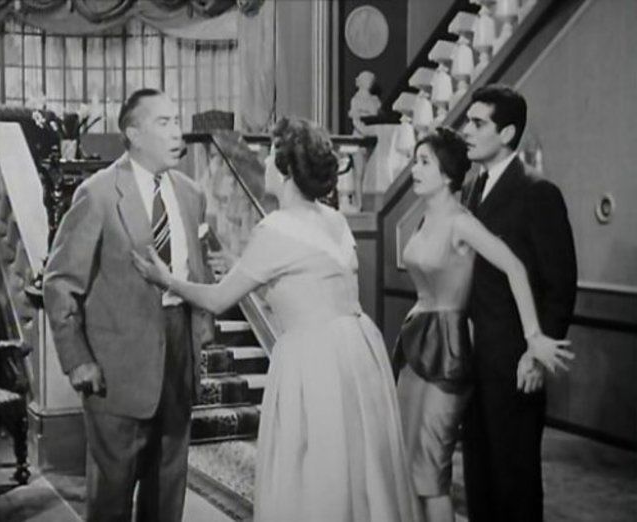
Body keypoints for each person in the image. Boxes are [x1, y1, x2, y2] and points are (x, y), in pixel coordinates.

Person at [133, 117, 422, 522]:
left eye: (270, 156)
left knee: (315, 461)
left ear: (285, 172)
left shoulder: (275, 228)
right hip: (358, 349)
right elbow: (308, 280)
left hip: (314, 356)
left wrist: (167, 279)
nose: (264, 163)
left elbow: (217, 299)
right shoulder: (334, 219)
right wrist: (240, 265)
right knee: (357, 461)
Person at [43, 88, 211, 522]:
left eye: (177, 121)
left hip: (178, 360)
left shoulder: (191, 194)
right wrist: (77, 358)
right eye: (163, 123)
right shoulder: (98, 194)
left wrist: (200, 335)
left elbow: (199, 271)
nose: (176, 133)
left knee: (167, 492)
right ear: (133, 133)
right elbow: (60, 282)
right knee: (111, 498)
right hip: (115, 370)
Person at [391, 127, 573, 522]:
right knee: (408, 463)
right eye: (415, 161)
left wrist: (534, 336)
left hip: (447, 350)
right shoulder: (425, 218)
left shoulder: (463, 223)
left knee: (431, 468)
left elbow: (515, 267)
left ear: (447, 175)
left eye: (424, 162)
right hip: (414, 347)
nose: (414, 170)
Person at [461, 84, 577, 522]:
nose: (467, 131)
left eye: (478, 123)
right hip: (474, 360)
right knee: (479, 476)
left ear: (507, 133)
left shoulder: (537, 192)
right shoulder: (472, 189)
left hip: (515, 362)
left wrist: (536, 354)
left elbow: (560, 284)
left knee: (515, 481)